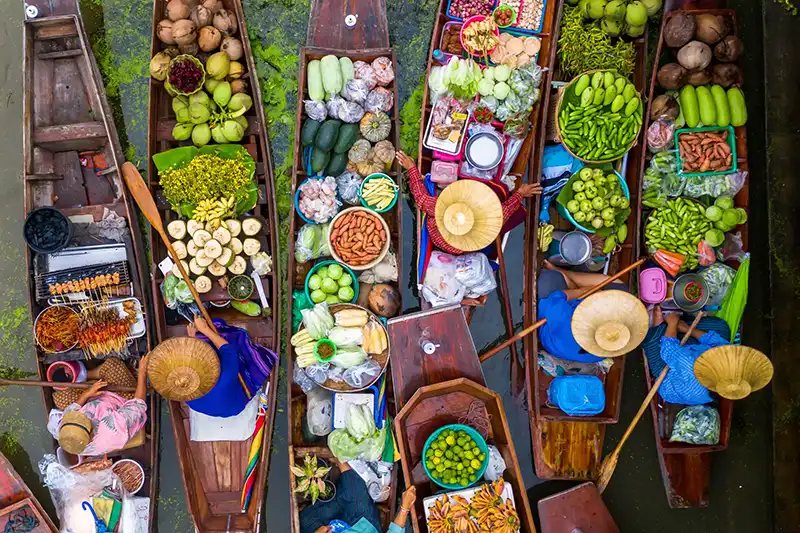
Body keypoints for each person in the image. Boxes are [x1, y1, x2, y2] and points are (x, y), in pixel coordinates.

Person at [396, 151, 541, 255]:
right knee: (505, 201)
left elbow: (421, 198)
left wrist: (411, 168)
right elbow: (505, 211)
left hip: (458, 242)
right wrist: (520, 193)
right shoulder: (485, 224)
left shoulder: (440, 210)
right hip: (473, 240)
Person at [48, 356, 149, 457]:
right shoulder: (113, 428)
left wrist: (87, 394)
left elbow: (71, 409)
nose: (78, 413)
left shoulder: (63, 431)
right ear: (91, 431)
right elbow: (139, 404)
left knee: (59, 398)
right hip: (121, 402)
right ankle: (97, 374)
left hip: (95, 402)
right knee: (112, 364)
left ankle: (87, 375)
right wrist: (142, 373)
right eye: (83, 417)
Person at [537, 260, 630, 363]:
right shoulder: (610, 344)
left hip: (550, 323)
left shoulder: (564, 317)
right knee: (619, 288)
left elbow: (554, 299)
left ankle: (566, 277)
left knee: (550, 276)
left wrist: (585, 291)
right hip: (572, 309)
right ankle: (568, 276)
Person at [642, 306, 730, 405]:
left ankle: (660, 326)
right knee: (722, 327)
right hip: (691, 355)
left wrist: (672, 323)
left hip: (667, 375)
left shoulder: (694, 368)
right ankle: (680, 325)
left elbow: (668, 349)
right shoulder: (731, 357)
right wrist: (689, 330)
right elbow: (717, 342)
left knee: (655, 335)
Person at [301, 461, 416, 533]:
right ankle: (341, 463)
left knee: (305, 519)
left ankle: (336, 493)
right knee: (355, 489)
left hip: (331, 526)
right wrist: (404, 507)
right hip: (362, 523)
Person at [185, 316, 250, 418]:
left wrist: (192, 337)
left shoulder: (184, 393)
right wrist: (204, 329)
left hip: (214, 406)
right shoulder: (225, 375)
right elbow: (228, 349)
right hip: (236, 405)